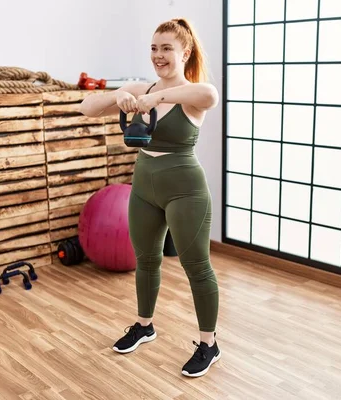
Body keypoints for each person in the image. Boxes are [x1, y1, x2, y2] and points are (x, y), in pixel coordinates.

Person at [80, 17, 220, 378]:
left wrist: (154, 97)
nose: (158, 55)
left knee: (196, 267)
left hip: (185, 189)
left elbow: (210, 96)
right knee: (146, 260)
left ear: (184, 52)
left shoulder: (190, 94)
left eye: (166, 48)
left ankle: (209, 344)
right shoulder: (140, 88)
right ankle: (145, 326)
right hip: (144, 186)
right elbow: (87, 107)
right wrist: (119, 96)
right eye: (154, 48)